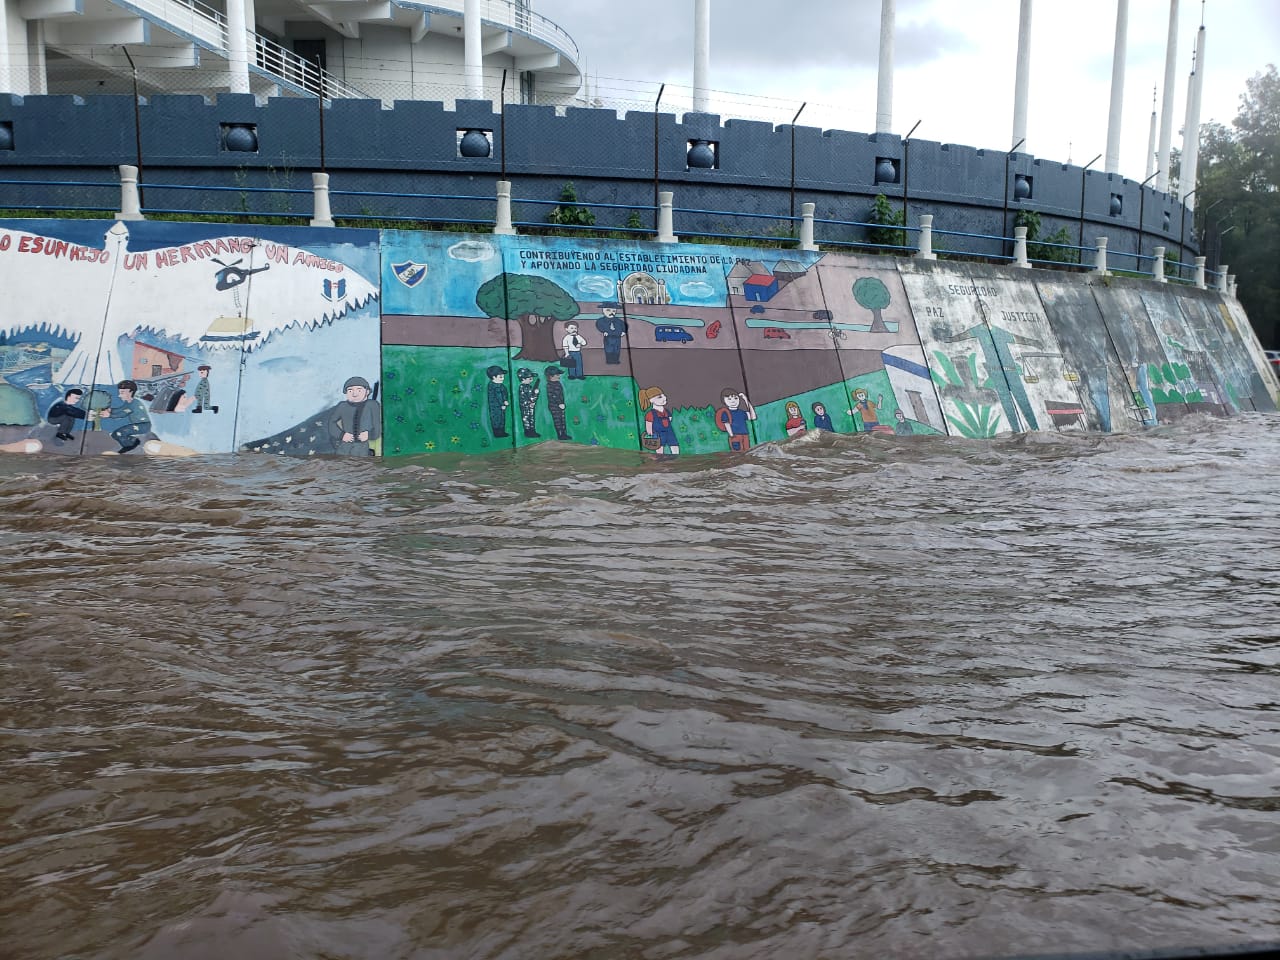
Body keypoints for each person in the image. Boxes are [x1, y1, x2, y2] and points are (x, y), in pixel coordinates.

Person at [329, 375, 382, 456]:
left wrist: (369, 434)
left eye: (359, 390)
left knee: (360, 464)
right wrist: (342, 435)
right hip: (345, 445)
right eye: (350, 390)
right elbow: (331, 423)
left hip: (362, 446)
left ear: (367, 392)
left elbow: (378, 425)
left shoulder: (372, 405)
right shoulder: (342, 406)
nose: (354, 394)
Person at [98, 379, 151, 454]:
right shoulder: (128, 403)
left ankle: (130, 445)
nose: (120, 395)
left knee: (119, 433)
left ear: (131, 392)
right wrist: (111, 410)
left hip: (143, 425)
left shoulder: (134, 403)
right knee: (115, 434)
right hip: (138, 425)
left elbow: (123, 413)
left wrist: (109, 415)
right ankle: (132, 442)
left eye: (122, 393)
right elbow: (121, 409)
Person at [638, 386, 679, 454]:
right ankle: (660, 460)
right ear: (651, 400)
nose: (664, 398)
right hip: (658, 433)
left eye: (663, 395)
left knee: (674, 445)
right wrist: (650, 433)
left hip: (669, 432)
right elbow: (648, 424)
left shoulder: (666, 411)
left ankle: (676, 458)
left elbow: (670, 419)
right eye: (660, 397)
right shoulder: (650, 414)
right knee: (659, 447)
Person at [714, 388, 756, 452]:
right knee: (737, 454)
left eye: (736, 398)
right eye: (729, 399)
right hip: (735, 436)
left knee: (747, 452)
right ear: (724, 401)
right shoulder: (726, 412)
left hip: (745, 435)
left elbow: (753, 417)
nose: (733, 401)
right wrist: (732, 436)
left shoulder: (741, 412)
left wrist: (746, 400)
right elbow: (727, 424)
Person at [544, 365, 570, 440]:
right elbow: (553, 396)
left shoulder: (558, 383)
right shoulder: (549, 385)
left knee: (562, 419)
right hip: (554, 406)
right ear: (551, 376)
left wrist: (562, 403)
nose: (559, 376)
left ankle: (564, 434)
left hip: (561, 405)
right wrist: (559, 403)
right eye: (557, 375)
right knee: (558, 420)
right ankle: (560, 434)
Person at [485, 365, 509, 438]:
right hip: (495, 407)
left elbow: (504, 393)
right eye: (500, 377)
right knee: (496, 419)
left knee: (502, 419)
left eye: (503, 376)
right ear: (494, 377)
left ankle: (502, 432)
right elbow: (498, 396)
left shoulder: (501, 385)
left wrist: (505, 400)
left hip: (501, 406)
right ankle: (497, 433)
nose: (503, 378)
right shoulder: (493, 386)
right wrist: (502, 404)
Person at [516, 367, 541, 438]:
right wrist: (535, 394)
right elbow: (528, 398)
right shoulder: (523, 387)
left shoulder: (528, 386)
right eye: (529, 378)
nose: (531, 380)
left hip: (529, 406)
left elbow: (531, 398)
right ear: (523, 379)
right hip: (525, 406)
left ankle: (532, 431)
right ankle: (528, 432)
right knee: (527, 419)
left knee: (531, 419)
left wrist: (533, 400)